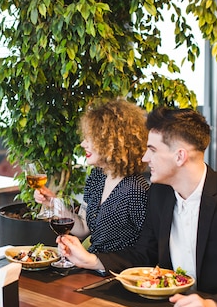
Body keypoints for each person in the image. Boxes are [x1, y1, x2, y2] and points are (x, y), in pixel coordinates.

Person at [60, 107, 217, 307]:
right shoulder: (160, 194)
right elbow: (144, 254)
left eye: (152, 149)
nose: (145, 157)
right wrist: (92, 260)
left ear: (180, 156)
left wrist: (215, 306)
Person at [34, 98, 149, 253]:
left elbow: (146, 251)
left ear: (112, 142)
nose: (83, 144)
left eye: (90, 138)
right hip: (90, 266)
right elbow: (83, 227)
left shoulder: (136, 190)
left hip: (115, 272)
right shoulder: (97, 177)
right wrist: (53, 203)